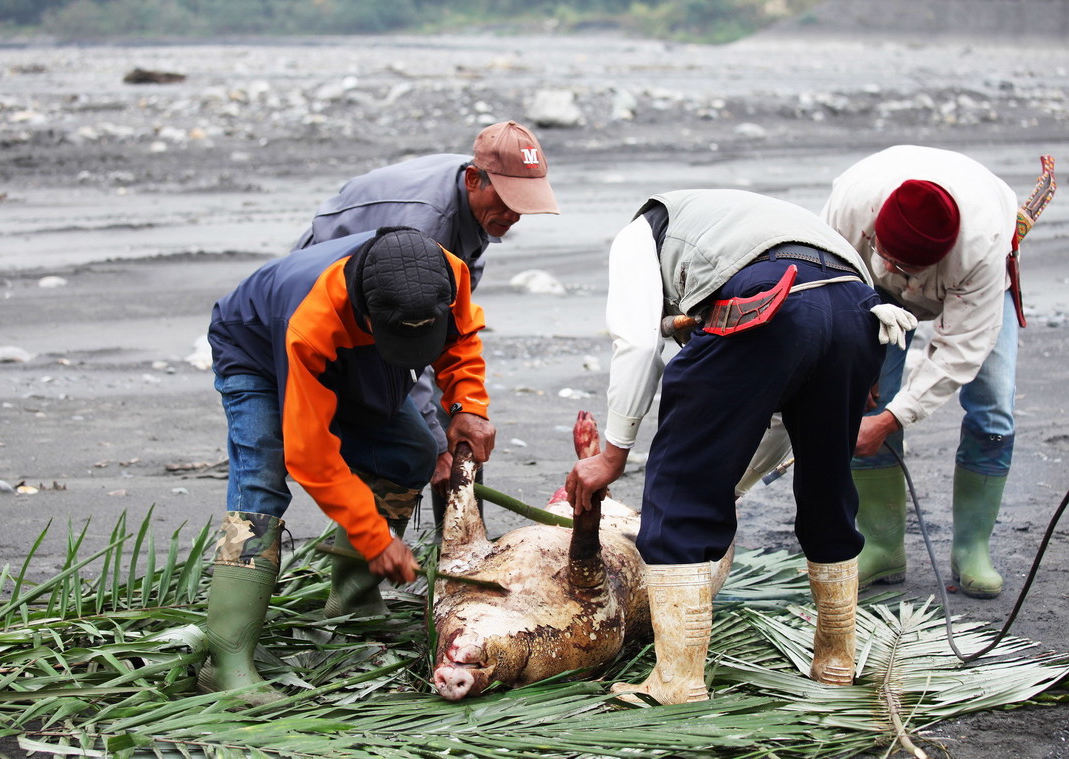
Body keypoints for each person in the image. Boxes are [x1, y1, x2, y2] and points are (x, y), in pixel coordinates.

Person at [566, 189, 907, 704]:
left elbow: (637, 343)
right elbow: (774, 410)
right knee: (828, 486)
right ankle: (836, 661)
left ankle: (677, 681)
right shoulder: (743, 219)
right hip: (857, 312)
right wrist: (733, 482)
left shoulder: (640, 233)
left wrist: (613, 455)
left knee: (680, 486)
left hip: (772, 299)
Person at [200, 226, 496, 704]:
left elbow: (461, 340)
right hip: (255, 349)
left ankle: (353, 609)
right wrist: (374, 538)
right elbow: (311, 454)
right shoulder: (312, 322)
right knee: (262, 481)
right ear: (367, 316)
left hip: (363, 348)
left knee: (410, 451)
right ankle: (225, 661)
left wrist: (468, 406)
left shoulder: (446, 272)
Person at [294, 121, 559, 525]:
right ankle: (372, 542)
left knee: (461, 417)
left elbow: (454, 324)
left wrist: (467, 406)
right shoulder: (426, 223)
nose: (515, 215)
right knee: (410, 431)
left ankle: (458, 537)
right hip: (327, 301)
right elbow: (407, 348)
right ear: (473, 180)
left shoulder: (477, 197)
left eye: (523, 202)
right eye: (507, 200)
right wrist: (435, 444)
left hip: (397, 295)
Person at [821, 145, 1020, 599]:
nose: (893, 268)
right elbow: (832, 289)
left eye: (904, 266)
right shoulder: (850, 208)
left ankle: (971, 550)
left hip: (977, 280)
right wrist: (859, 359)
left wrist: (894, 419)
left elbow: (959, 352)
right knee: (862, 405)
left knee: (993, 407)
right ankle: (882, 547)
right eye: (887, 256)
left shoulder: (981, 246)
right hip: (873, 291)